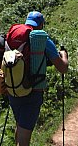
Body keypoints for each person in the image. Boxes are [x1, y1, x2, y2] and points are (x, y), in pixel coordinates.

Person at [8, 11, 68, 146]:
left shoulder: (14, 39)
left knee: (20, 127)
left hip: (13, 90)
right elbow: (62, 68)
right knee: (24, 139)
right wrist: (64, 56)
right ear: (41, 25)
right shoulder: (43, 40)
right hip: (33, 92)